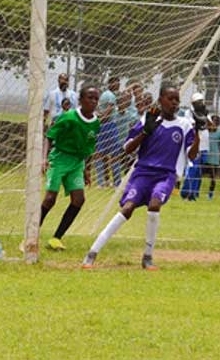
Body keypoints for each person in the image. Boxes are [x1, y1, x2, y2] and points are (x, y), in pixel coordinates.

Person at [82, 85, 199, 270]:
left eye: (177, 99)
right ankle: (92, 252)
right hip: (142, 173)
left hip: (165, 175)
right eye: (171, 98)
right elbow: (127, 148)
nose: (175, 103)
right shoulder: (148, 119)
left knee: (154, 205)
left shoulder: (184, 125)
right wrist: (145, 132)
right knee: (127, 209)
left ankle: (147, 256)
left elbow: (192, 155)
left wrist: (198, 132)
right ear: (160, 100)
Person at [37, 85, 100, 250]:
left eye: (96, 99)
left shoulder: (95, 122)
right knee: (50, 199)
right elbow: (49, 136)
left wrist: (87, 169)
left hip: (77, 163)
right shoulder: (69, 117)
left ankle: (56, 238)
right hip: (59, 158)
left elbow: (90, 147)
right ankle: (32, 233)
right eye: (90, 98)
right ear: (80, 100)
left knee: (79, 199)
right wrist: (44, 158)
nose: (93, 102)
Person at [180, 92, 210, 201]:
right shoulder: (189, 113)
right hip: (195, 145)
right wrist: (200, 121)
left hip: (205, 146)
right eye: (198, 102)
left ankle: (194, 194)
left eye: (201, 101)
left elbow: (211, 125)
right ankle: (186, 192)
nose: (201, 103)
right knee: (192, 168)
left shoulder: (204, 112)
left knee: (199, 171)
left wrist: (205, 118)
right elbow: (192, 125)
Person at [95, 77, 122, 187]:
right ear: (111, 83)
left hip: (104, 125)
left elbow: (99, 109)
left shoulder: (104, 94)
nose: (118, 84)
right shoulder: (110, 95)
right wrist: (102, 119)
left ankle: (101, 182)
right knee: (113, 154)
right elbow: (110, 109)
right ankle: (116, 182)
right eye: (117, 82)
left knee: (101, 154)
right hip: (109, 126)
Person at [203, 115, 220, 200]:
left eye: (216, 122)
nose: (214, 123)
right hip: (205, 156)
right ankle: (194, 191)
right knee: (198, 174)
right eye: (212, 121)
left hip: (214, 158)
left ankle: (210, 194)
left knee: (213, 177)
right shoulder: (206, 132)